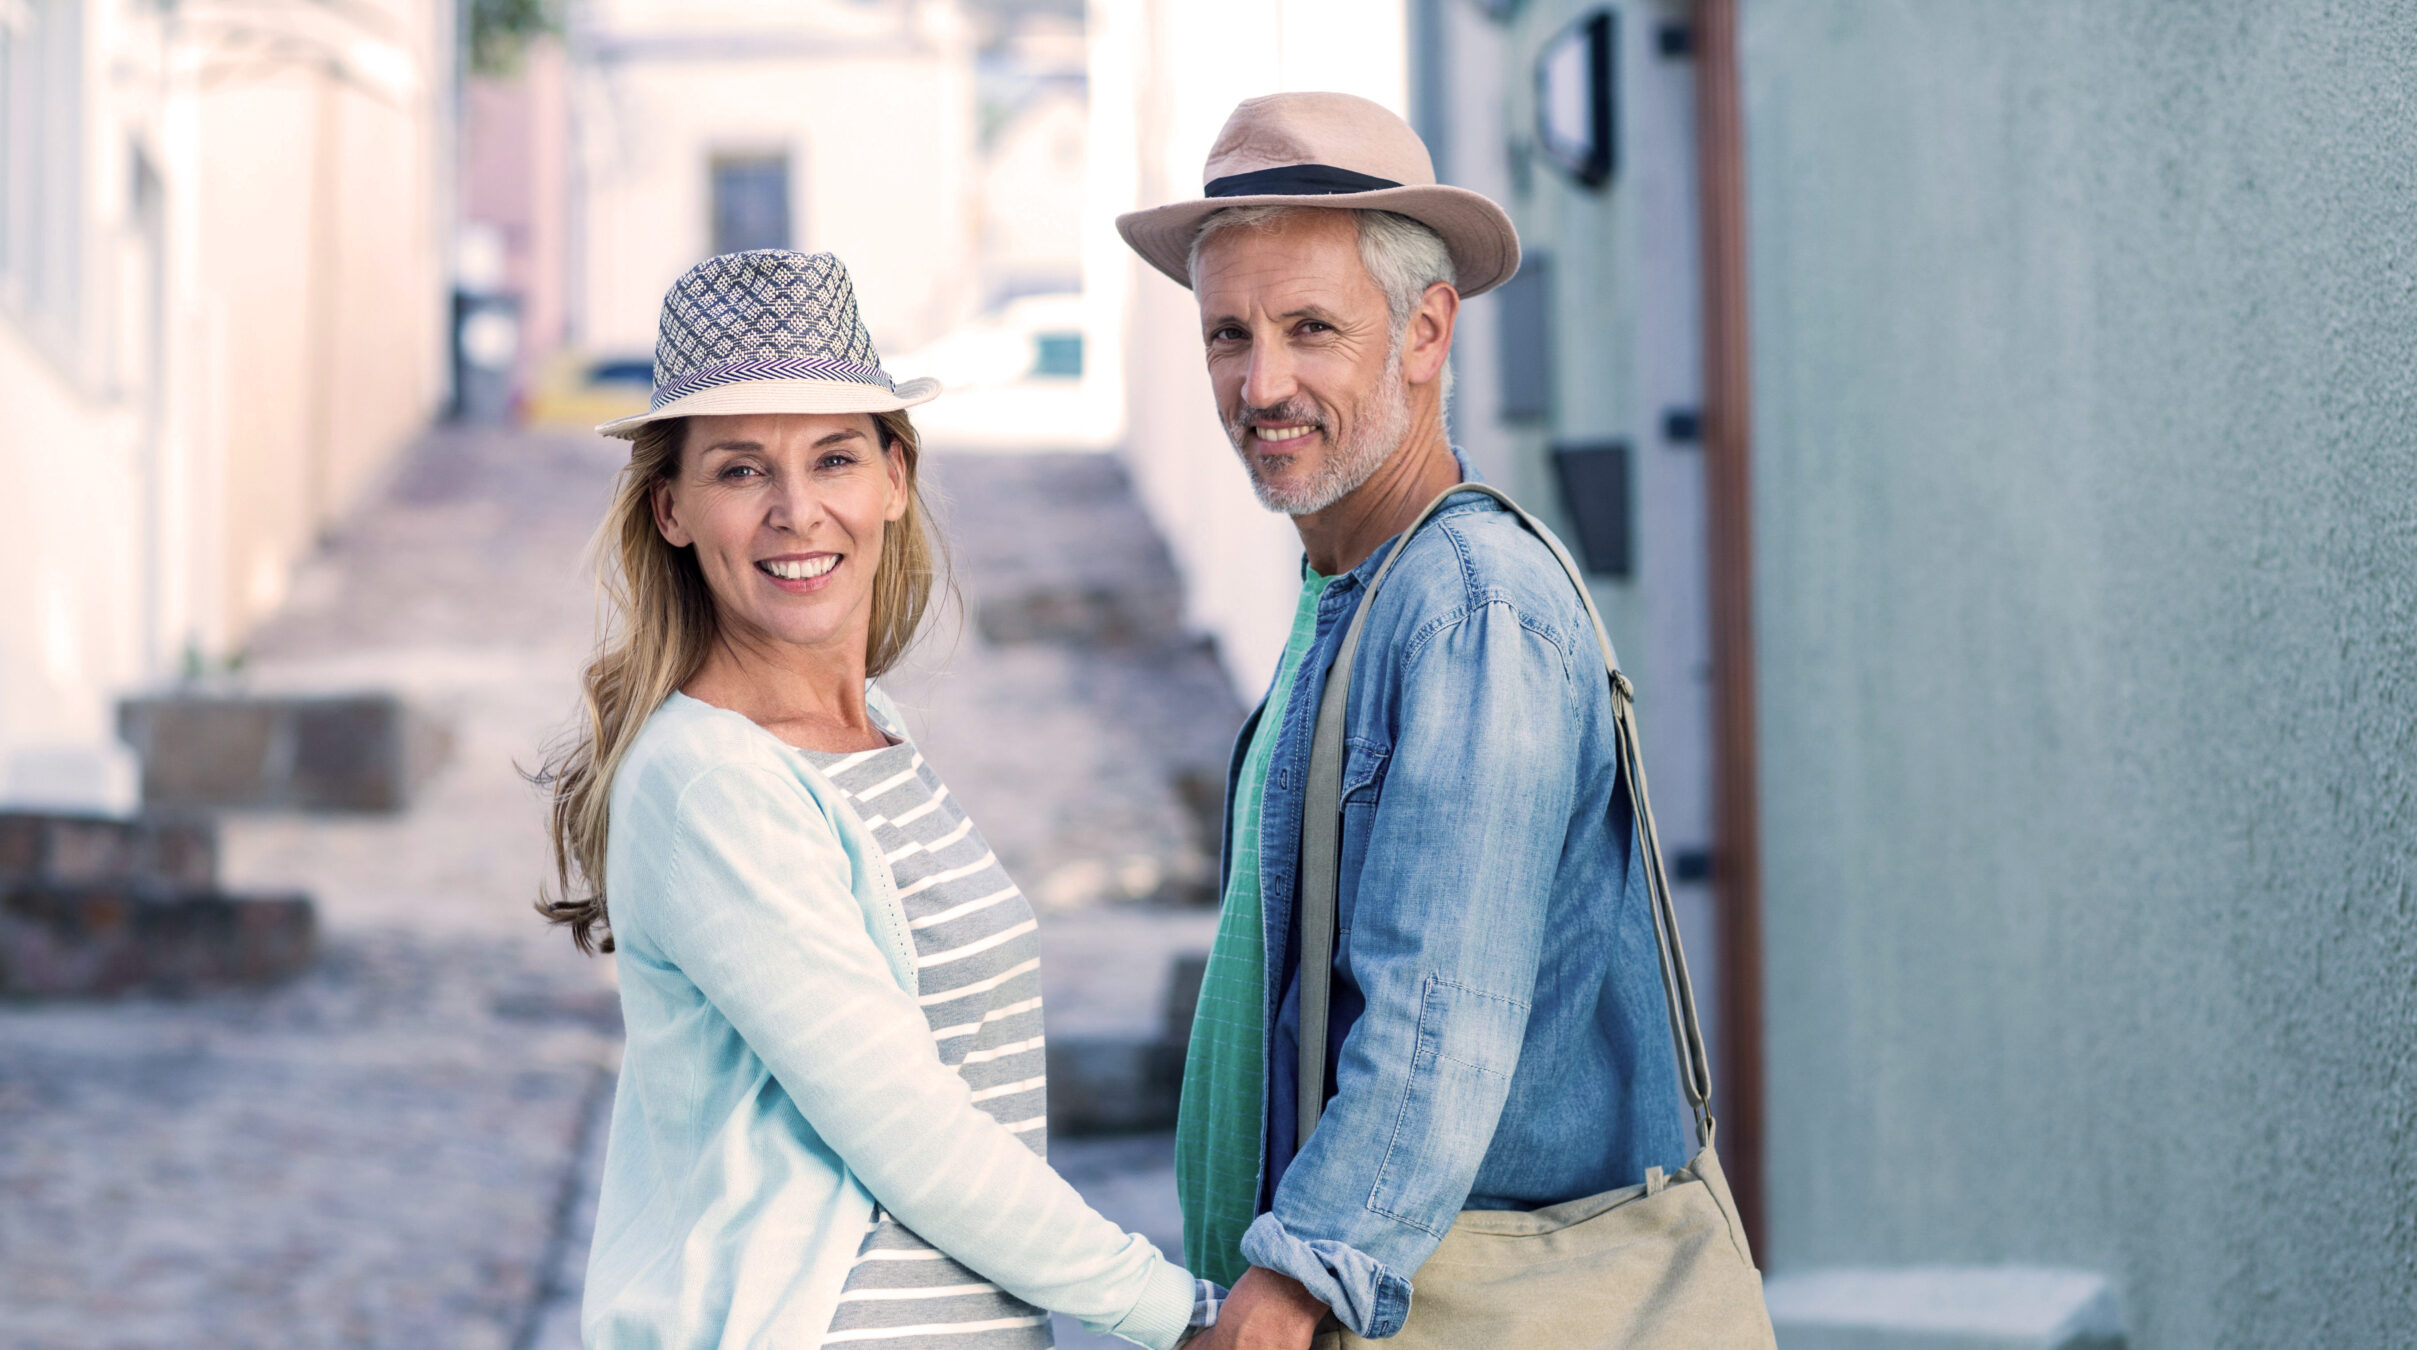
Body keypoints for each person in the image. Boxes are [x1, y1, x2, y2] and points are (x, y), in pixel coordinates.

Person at [535, 249, 1216, 1350]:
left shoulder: (874, 740)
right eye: (742, 471)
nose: (797, 512)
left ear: (894, 479)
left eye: (835, 458)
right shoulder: (712, 780)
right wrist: (1179, 1314)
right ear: (672, 510)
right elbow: (910, 1131)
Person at [1115, 94, 1701, 1348]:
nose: (1259, 384)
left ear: (1425, 331)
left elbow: (1439, 1017)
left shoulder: (1467, 608)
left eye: (1309, 329)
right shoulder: (1357, 593)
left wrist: (1297, 1279)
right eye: (1229, 335)